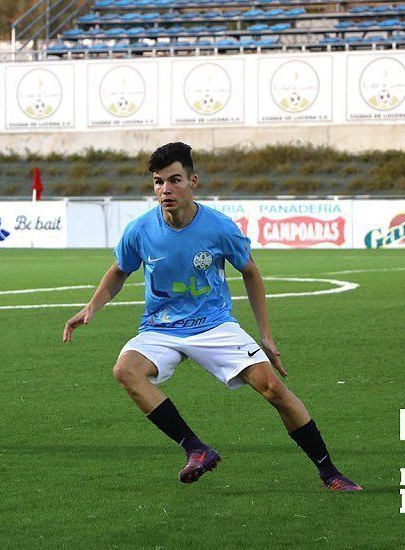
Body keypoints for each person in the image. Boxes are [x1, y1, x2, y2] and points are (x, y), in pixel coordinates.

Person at [63, 142, 360, 490]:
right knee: (126, 370)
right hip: (161, 328)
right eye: (159, 182)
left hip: (214, 325)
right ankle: (196, 448)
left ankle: (329, 472)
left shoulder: (218, 227)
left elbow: (251, 272)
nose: (165, 190)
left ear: (193, 181)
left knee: (273, 389)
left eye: (174, 180)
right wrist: (91, 307)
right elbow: (119, 271)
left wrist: (265, 334)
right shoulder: (139, 230)